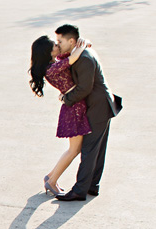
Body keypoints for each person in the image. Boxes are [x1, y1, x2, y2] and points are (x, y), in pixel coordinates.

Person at [52, 24, 122, 201]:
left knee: (90, 148)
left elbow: (84, 88)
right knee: (97, 147)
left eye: (60, 41)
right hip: (100, 105)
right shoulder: (78, 53)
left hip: (99, 106)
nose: (57, 44)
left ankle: (79, 190)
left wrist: (65, 99)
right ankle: (92, 186)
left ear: (72, 41)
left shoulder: (84, 58)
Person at [29, 34, 93, 195]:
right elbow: (75, 56)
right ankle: (52, 181)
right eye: (55, 45)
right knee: (74, 149)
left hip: (73, 105)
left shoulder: (53, 64)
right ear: (49, 52)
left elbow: (72, 54)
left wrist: (85, 43)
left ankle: (50, 176)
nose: (58, 46)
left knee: (74, 149)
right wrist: (82, 44)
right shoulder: (52, 69)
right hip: (74, 107)